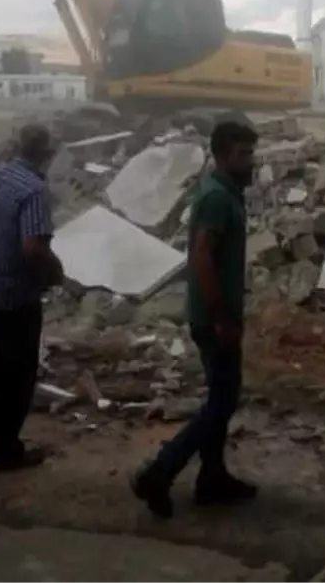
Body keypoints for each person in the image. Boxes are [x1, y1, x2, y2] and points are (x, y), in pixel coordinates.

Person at [132, 119, 259, 517]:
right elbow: (201, 257)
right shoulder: (217, 198)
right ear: (221, 156)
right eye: (242, 155)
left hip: (219, 313)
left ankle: (213, 477)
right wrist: (221, 316)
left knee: (221, 398)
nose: (249, 161)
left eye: (252, 153)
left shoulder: (226, 191)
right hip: (213, 317)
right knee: (221, 403)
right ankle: (160, 471)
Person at [0, 122, 63, 473]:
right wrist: (57, 271)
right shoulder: (34, 191)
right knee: (16, 374)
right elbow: (33, 247)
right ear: (47, 154)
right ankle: (5, 451)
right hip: (14, 296)